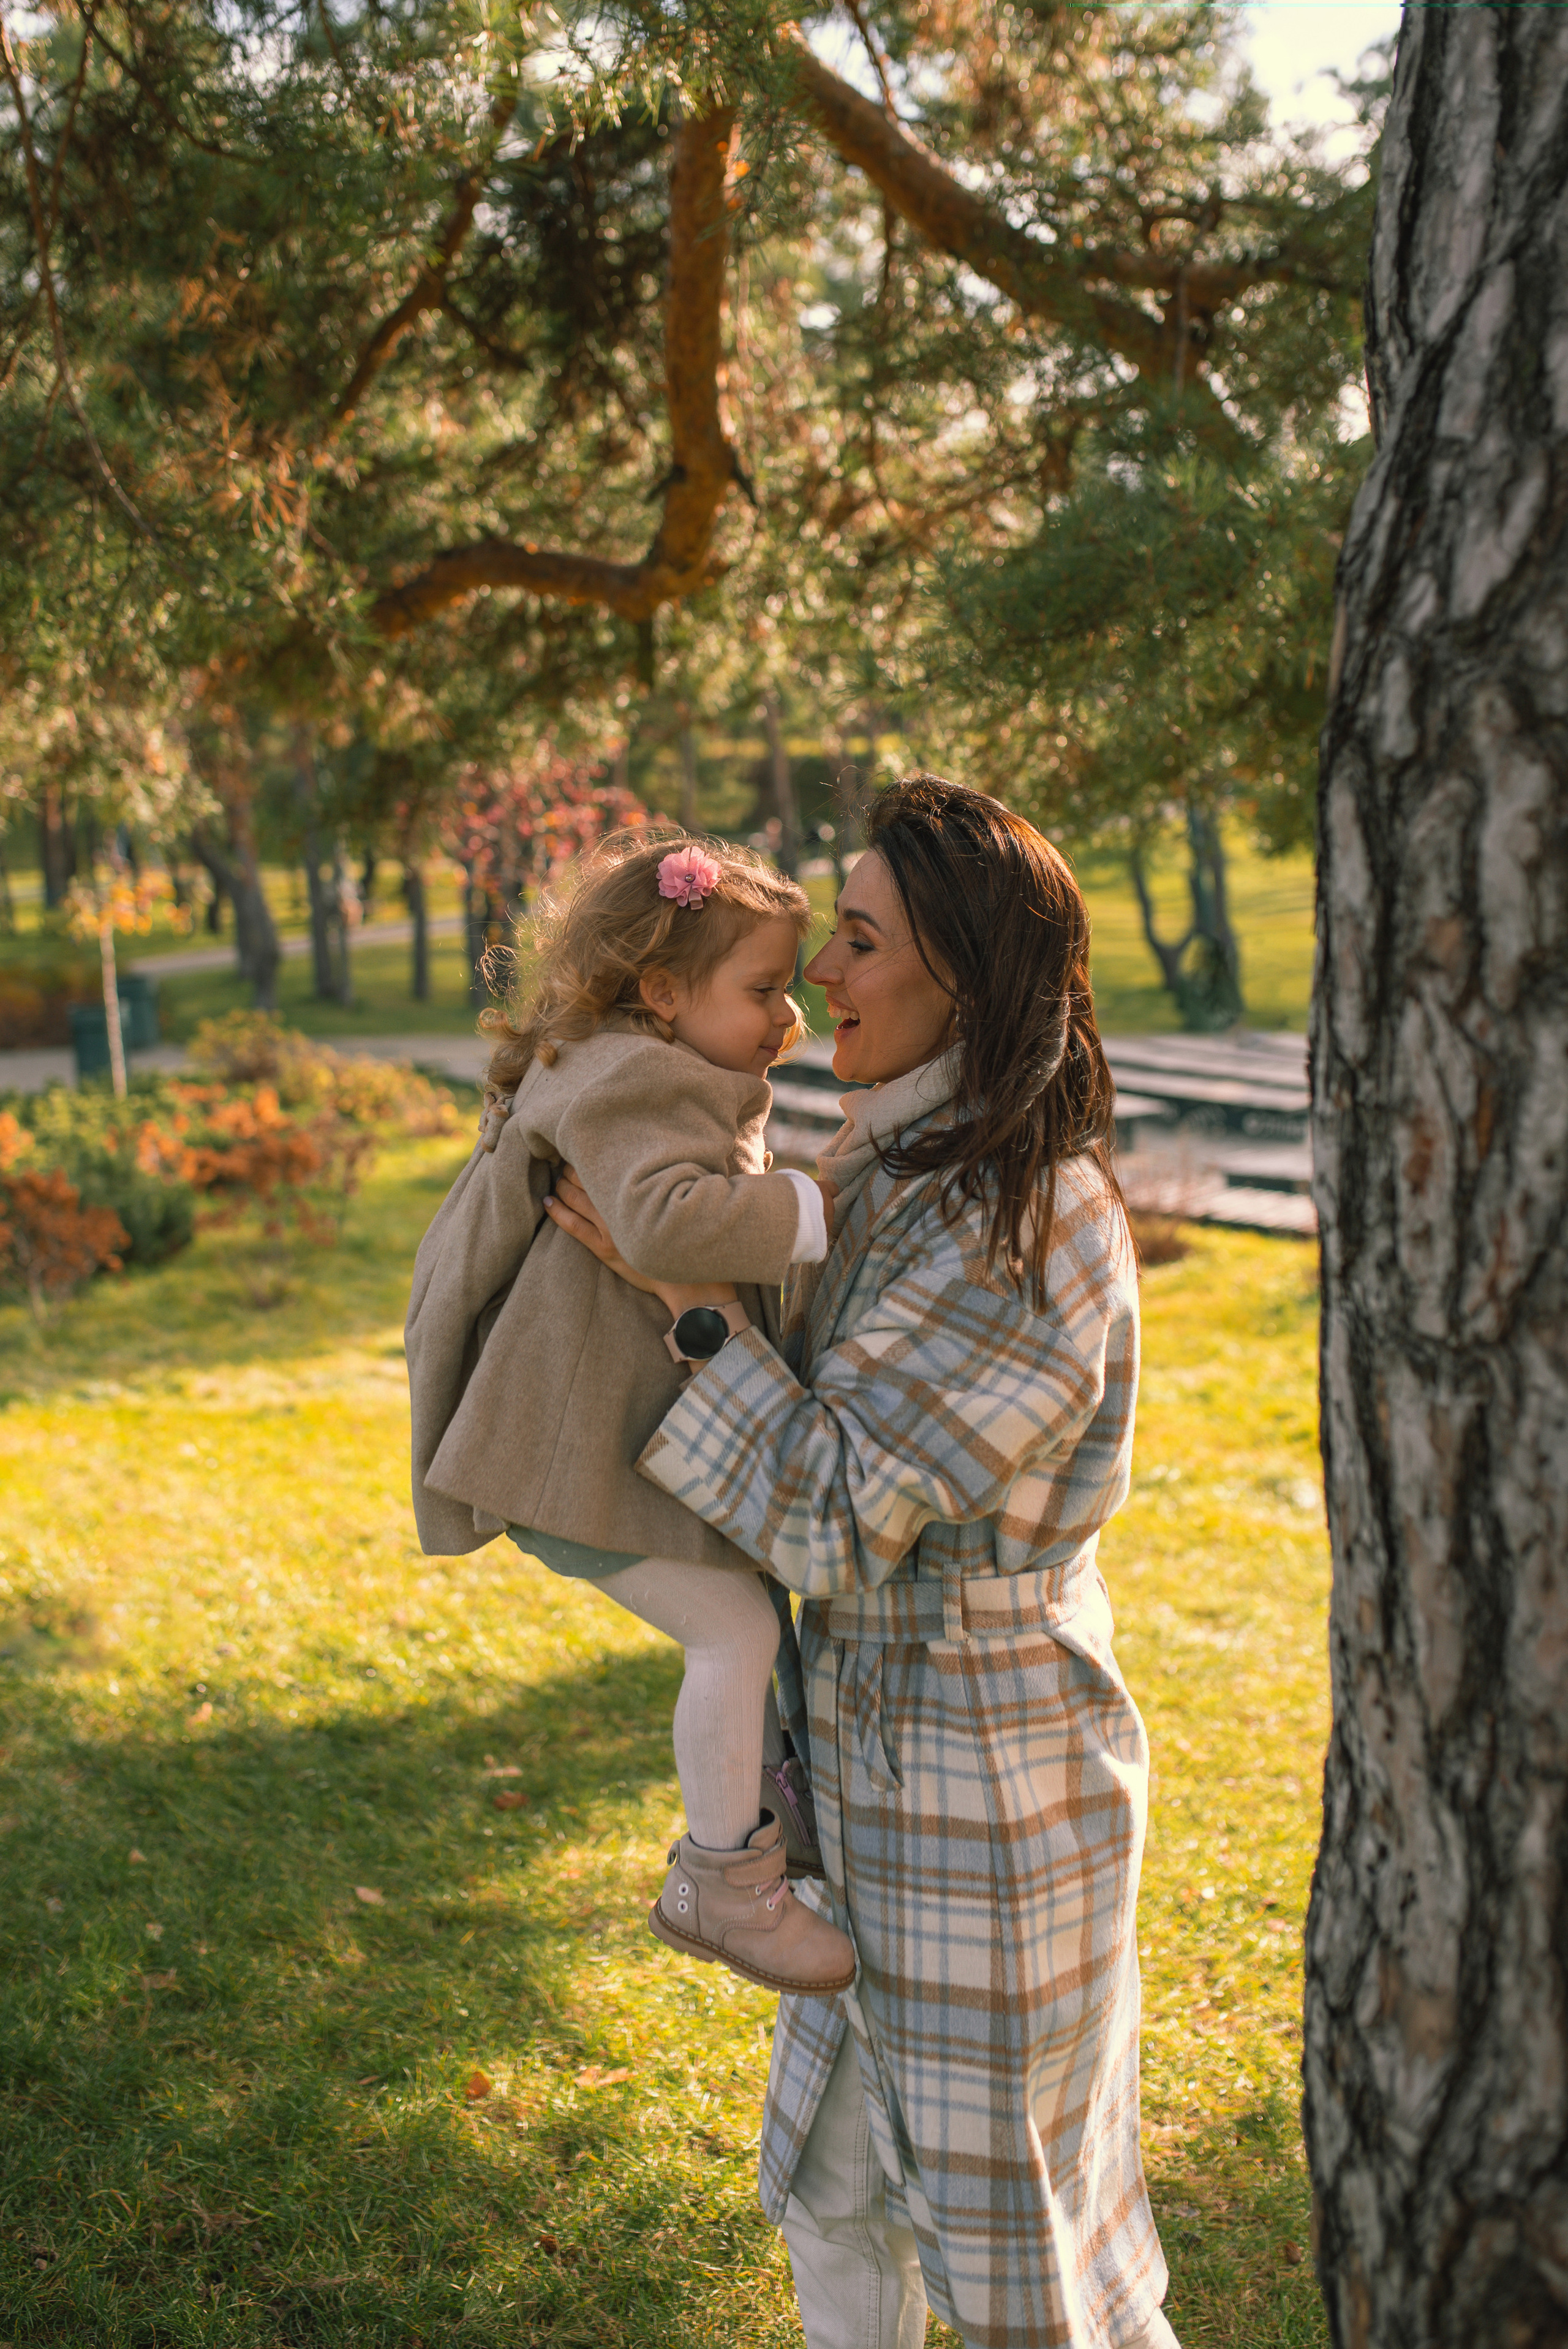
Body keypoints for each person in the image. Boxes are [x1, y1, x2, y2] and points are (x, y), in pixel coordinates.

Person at [543, 776, 1180, 2349]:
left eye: (856, 938)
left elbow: (824, 1513)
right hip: (865, 1757)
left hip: (986, 1789)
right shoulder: (888, 1165)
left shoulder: (1026, 1225)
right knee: (833, 2197)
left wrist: (683, 1299)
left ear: (959, 974)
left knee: (1022, 2263)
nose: (821, 972)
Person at [404, 833, 854, 1998]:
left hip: (594, 1444)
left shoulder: (624, 1064)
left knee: (745, 1614)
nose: (790, 1018)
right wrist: (813, 1209)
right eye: (761, 990)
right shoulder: (637, 1077)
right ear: (662, 991)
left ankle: (769, 1812)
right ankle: (724, 1884)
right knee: (735, 1633)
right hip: (567, 1454)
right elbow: (658, 1222)